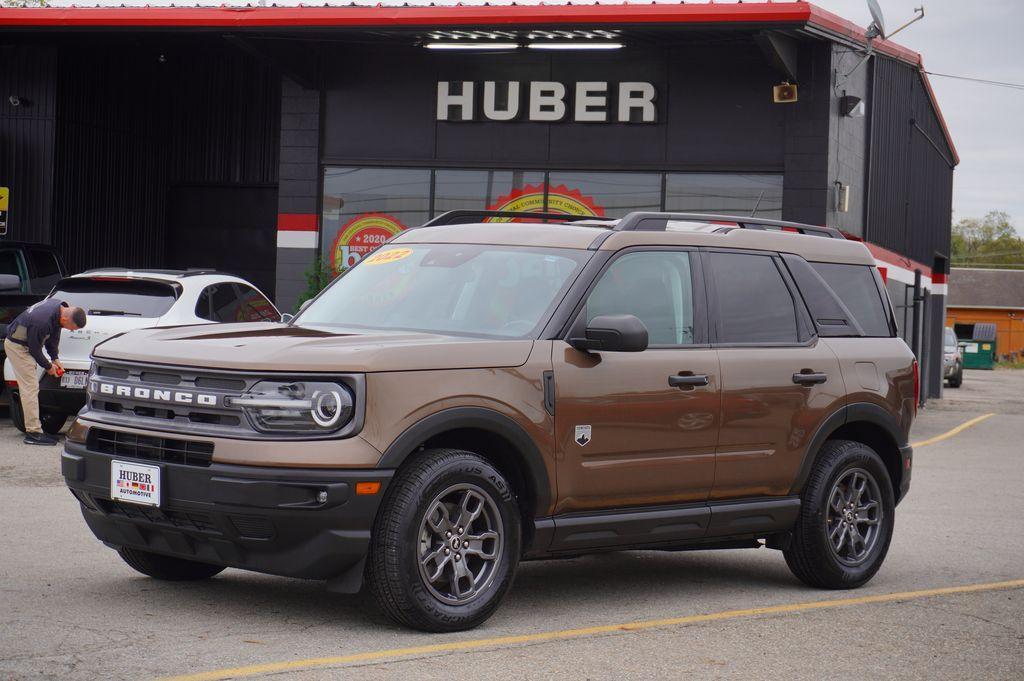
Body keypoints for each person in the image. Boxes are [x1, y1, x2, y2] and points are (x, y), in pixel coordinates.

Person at [4, 300, 87, 445]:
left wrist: (55, 359)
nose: (72, 331)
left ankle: (37, 430)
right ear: (65, 319)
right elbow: (35, 349)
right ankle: (33, 433)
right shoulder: (41, 321)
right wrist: (49, 367)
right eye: (72, 328)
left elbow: (53, 339)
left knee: (31, 387)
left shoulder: (60, 310)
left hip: (27, 345)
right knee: (30, 388)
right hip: (17, 347)